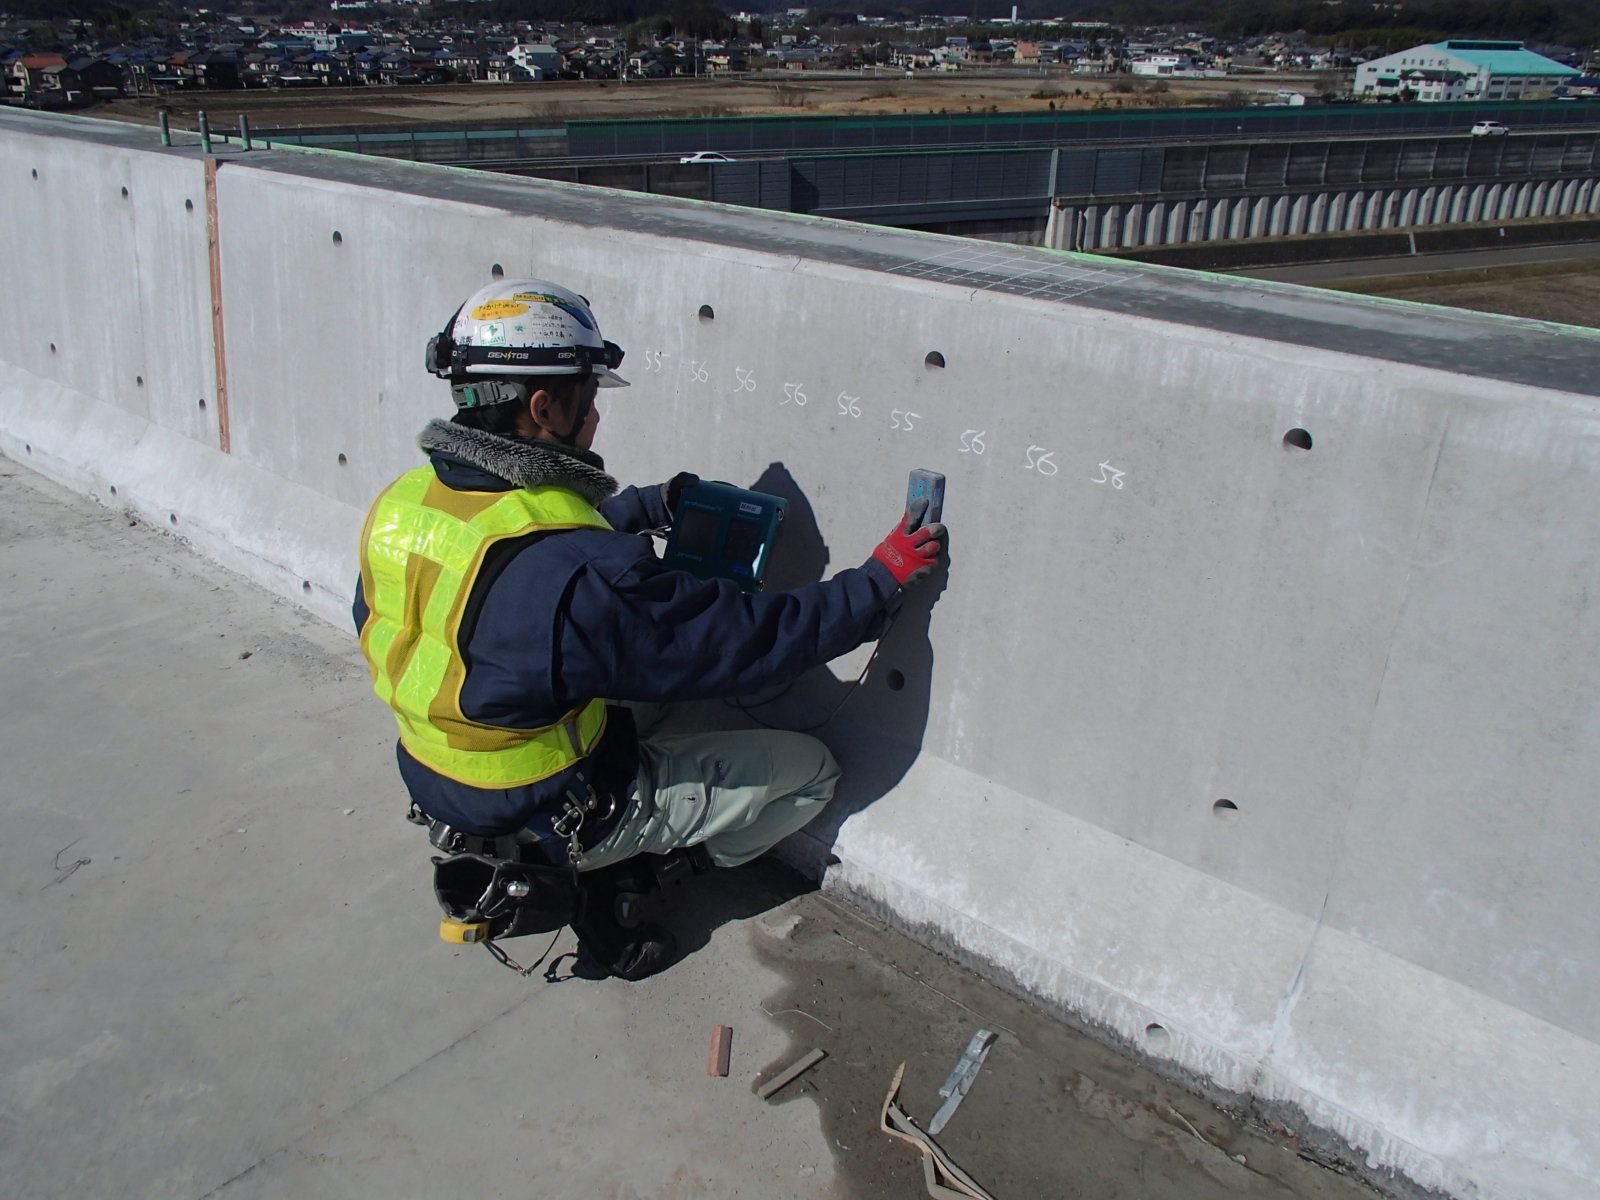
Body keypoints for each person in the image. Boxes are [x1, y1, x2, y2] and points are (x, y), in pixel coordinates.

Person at [354, 278, 945, 980]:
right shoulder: (583, 580)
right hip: (555, 809)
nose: (596, 416)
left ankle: (601, 851)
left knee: (652, 698)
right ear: (543, 407)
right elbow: (751, 643)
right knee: (809, 776)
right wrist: (879, 581)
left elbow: (512, 563)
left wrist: (642, 507)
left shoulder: (406, 505)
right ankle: (630, 875)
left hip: (444, 775)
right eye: (589, 397)